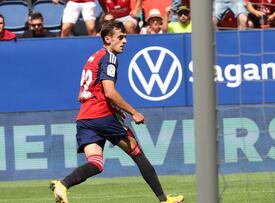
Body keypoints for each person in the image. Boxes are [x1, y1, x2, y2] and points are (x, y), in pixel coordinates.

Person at [49, 21, 184, 203]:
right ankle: (163, 200)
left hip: (84, 118)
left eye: (125, 37)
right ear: (107, 39)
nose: (124, 41)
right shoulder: (109, 57)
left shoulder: (93, 57)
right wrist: (133, 112)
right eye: (120, 37)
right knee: (137, 153)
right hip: (102, 116)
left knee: (96, 164)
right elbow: (109, 92)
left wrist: (113, 108)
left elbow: (83, 93)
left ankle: (63, 185)